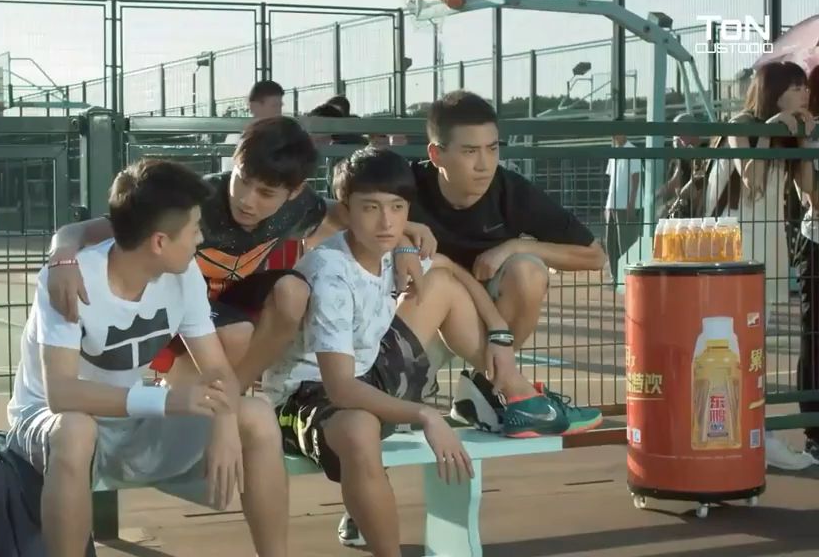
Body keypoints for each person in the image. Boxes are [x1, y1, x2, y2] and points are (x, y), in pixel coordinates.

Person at [265, 147, 602, 555]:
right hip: (307, 396)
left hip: (367, 371)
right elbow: (340, 389)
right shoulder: (330, 275)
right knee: (358, 429)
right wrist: (425, 415)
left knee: (440, 285)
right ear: (346, 210)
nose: (386, 221)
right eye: (370, 208)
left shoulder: (392, 248)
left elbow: (449, 269)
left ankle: (511, 391)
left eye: (397, 208)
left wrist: (499, 332)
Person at [5, 160, 291, 557]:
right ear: (159, 242)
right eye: (194, 229)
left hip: (130, 423)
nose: (200, 238)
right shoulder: (72, 280)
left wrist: (226, 422)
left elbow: (216, 369)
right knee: (75, 429)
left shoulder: (184, 275)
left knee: (255, 414)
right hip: (51, 424)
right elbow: (62, 394)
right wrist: (167, 400)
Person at [45, 116, 436, 396]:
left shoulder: (300, 208)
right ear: (234, 163)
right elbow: (81, 230)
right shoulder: (196, 201)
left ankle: (235, 395)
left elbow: (360, 214)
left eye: (266, 193)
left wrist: (404, 239)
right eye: (243, 181)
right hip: (178, 307)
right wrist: (62, 257)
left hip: (228, 301)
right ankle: (181, 397)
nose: (248, 201)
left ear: (294, 192)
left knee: (293, 292)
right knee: (234, 332)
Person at [406, 91, 606, 429]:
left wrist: (513, 246)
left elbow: (595, 256)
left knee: (528, 270)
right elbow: (343, 202)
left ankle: (492, 390)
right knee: (388, 416)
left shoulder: (511, 191)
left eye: (493, 148)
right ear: (436, 154)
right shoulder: (404, 188)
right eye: (470, 151)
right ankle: (504, 393)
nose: (484, 164)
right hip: (424, 311)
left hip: (488, 321)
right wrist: (405, 229)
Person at [705, 61, 816, 470]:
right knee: (726, 343)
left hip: (766, 249)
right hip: (730, 246)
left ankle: (752, 433)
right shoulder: (743, 123)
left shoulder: (789, 132)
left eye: (805, 87)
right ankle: (740, 434)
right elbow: (750, 180)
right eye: (796, 87)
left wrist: (802, 141)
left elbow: (808, 192)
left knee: (753, 342)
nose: (804, 94)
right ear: (775, 92)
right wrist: (771, 129)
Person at [789, 64, 819, 464]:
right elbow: (810, 193)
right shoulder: (809, 132)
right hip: (816, 243)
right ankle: (815, 431)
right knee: (815, 335)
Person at [604, 122, 644, 287]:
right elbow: (612, 180)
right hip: (613, 205)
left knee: (626, 244)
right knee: (611, 244)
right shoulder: (614, 152)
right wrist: (607, 205)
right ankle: (616, 278)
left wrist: (631, 203)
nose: (614, 136)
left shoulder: (632, 151)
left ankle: (630, 280)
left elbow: (636, 177)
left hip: (626, 205)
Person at [221, 79, 285, 172]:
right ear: (254, 107)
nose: (279, 112)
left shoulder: (279, 135)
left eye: (280, 106)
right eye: (274, 106)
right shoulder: (239, 139)